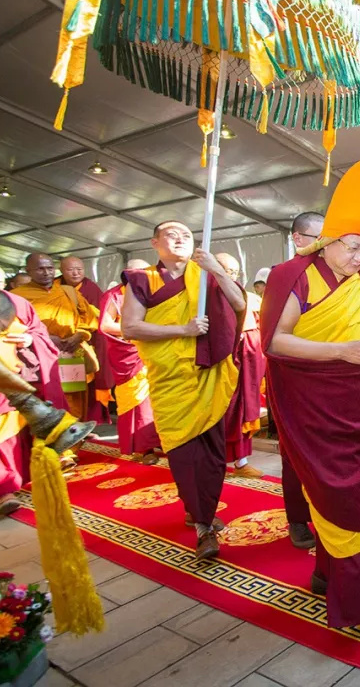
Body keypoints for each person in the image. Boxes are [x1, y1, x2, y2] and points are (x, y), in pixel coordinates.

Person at [262, 160, 360, 636]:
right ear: (327, 241)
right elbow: (273, 341)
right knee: (345, 500)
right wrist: (341, 351)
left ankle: (326, 573)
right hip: (316, 409)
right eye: (354, 248)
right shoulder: (292, 275)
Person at [121, 222, 245, 559]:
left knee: (213, 454)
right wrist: (183, 329)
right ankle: (204, 525)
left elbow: (238, 305)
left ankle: (199, 508)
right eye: (171, 235)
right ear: (154, 242)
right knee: (185, 453)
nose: (180, 240)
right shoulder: (143, 279)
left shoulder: (204, 273)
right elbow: (130, 326)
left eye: (187, 236)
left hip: (209, 375)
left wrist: (217, 269)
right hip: (172, 378)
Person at [0, 287, 67, 515]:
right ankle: (3, 489)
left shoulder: (16, 302)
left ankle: (10, 484)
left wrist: (29, 339)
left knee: (10, 435)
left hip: (11, 375)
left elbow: (39, 332)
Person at [277, 212, 325, 549]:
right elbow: (276, 336)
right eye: (317, 237)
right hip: (295, 377)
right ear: (298, 238)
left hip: (335, 379)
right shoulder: (286, 276)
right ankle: (297, 518)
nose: (324, 245)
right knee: (295, 453)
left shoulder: (336, 274)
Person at [12, 253, 100, 425]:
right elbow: (13, 326)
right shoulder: (17, 296)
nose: (46, 273)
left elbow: (88, 319)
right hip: (38, 355)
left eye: (50, 268)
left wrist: (80, 334)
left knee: (74, 395)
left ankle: (74, 432)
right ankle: (50, 436)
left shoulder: (69, 292)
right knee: (46, 394)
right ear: (28, 270)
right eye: (40, 269)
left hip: (71, 351)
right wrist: (43, 338)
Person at [98, 260, 161, 463]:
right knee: (139, 403)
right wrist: (136, 330)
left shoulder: (156, 292)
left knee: (159, 398)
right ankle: (144, 447)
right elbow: (106, 325)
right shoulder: (115, 295)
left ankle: (161, 440)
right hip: (130, 354)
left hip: (156, 350)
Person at [215, 253, 264, 479]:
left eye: (235, 272)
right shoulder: (207, 296)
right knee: (222, 413)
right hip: (222, 365)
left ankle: (241, 461)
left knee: (243, 411)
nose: (231, 276)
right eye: (226, 271)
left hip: (247, 363)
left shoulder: (249, 297)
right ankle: (215, 462)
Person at [58, 256, 112, 424]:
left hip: (85, 343)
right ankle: (64, 419)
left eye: (79, 270)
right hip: (59, 343)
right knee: (62, 385)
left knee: (84, 383)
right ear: (61, 270)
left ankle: (87, 419)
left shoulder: (91, 289)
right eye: (70, 270)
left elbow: (99, 317)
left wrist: (81, 332)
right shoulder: (53, 288)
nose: (75, 273)